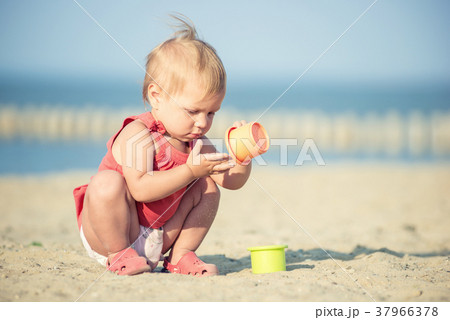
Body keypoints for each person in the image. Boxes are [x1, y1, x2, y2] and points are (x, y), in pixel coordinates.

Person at [73, 15, 252, 277]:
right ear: (157, 97)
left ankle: (180, 256)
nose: (203, 122)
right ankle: (120, 255)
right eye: (193, 111)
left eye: (212, 113)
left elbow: (231, 181)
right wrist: (190, 171)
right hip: (112, 232)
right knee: (106, 182)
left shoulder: (196, 142)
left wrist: (244, 156)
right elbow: (141, 188)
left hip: (158, 237)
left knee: (208, 188)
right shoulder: (139, 134)